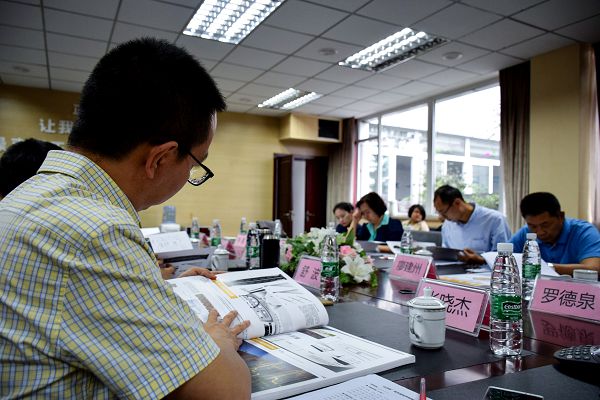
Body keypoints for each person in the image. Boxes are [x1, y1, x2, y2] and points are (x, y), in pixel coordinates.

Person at [0, 38, 251, 399]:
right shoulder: (96, 230)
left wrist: (160, 290)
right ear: (160, 158)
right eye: (197, 163)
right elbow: (226, 392)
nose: (191, 176)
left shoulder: (29, 196)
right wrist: (217, 341)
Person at [510, 192, 600, 275]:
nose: (540, 232)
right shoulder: (525, 233)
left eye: (545, 225)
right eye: (533, 226)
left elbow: (594, 269)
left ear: (561, 216)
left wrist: (545, 268)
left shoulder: (584, 232)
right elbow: (505, 261)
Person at [433, 185, 511, 264]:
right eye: (439, 213)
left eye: (443, 212)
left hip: (486, 270)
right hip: (453, 270)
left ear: (457, 203)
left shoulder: (495, 220)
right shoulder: (447, 225)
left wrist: (482, 260)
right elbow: (446, 255)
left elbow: (505, 258)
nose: (441, 217)